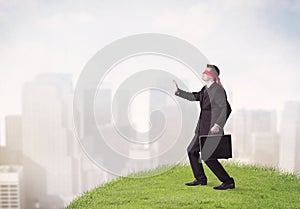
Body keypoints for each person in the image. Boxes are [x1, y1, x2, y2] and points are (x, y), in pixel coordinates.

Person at [173, 64, 235, 190]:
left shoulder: (218, 90)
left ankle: (228, 181)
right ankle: (201, 179)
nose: (203, 73)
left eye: (206, 72)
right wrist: (179, 91)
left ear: (212, 76)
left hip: (212, 129)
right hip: (201, 128)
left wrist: (218, 124)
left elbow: (226, 108)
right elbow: (195, 96)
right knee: (192, 151)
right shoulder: (205, 89)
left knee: (208, 157)